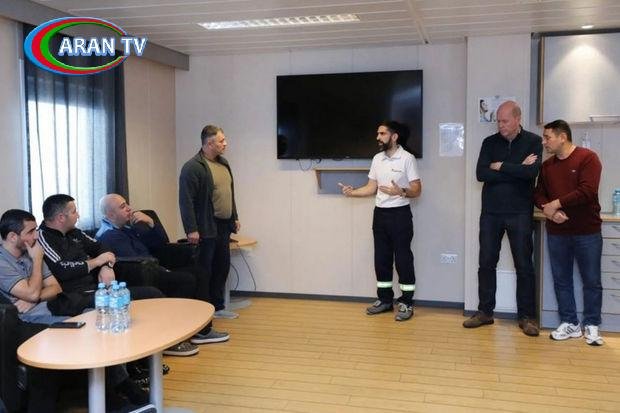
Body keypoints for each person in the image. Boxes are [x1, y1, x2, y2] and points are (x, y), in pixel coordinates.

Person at [97, 193, 222, 350]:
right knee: (186, 280)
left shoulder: (126, 228)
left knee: (200, 272)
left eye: (127, 204)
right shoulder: (108, 235)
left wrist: (151, 223)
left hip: (154, 268)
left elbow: (161, 243)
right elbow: (135, 260)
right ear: (111, 215)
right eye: (123, 207)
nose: (129, 208)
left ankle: (202, 330)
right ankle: (175, 334)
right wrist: (163, 269)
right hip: (140, 274)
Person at [463, 100, 542, 336]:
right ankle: (485, 312)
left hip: (520, 213)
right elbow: (481, 174)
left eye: (505, 121)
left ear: (518, 119)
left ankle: (527, 317)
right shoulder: (489, 142)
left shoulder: (533, 141)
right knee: (486, 263)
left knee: (524, 265)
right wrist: (516, 168)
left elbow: (531, 173)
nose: (501, 125)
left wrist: (500, 166)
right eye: (498, 121)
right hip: (491, 213)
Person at [339, 121, 421, 321]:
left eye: (382, 134)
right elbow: (371, 187)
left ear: (394, 136)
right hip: (380, 215)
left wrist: (401, 191)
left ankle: (406, 303)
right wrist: (352, 192)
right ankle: (385, 300)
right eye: (378, 133)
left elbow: (417, 190)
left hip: (400, 215)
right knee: (381, 260)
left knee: (403, 260)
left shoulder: (407, 158)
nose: (378, 137)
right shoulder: (377, 159)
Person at [534, 120, 604, 346]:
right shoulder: (547, 166)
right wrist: (551, 212)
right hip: (557, 232)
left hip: (587, 232)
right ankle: (570, 323)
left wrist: (556, 203)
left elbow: (587, 191)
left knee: (591, 280)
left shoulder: (588, 158)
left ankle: (592, 325)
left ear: (562, 137)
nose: (544, 142)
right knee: (561, 280)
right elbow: (538, 195)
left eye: (547, 137)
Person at [179, 124, 240, 343]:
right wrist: (191, 229)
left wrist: (234, 216)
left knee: (222, 266)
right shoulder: (193, 167)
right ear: (209, 143)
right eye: (222, 140)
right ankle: (203, 316)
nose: (225, 144)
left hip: (224, 226)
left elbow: (229, 193)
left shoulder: (224, 163)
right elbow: (186, 201)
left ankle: (217, 306)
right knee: (204, 271)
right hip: (205, 227)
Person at [0, 209, 66, 325]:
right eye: (30, 232)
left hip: (49, 308)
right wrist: (37, 260)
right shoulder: (3, 262)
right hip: (26, 319)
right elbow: (32, 294)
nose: (36, 236)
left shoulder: (30, 251)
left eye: (35, 230)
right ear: (13, 237)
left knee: (91, 313)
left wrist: (34, 301)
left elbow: (56, 288)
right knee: (77, 325)